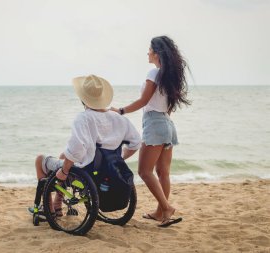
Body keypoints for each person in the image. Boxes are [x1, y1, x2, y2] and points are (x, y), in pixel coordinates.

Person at [30, 74, 141, 216]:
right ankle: (58, 202)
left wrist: (64, 171)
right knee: (64, 155)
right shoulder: (118, 118)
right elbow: (136, 142)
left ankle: (49, 208)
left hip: (85, 171)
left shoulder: (83, 118)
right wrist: (117, 159)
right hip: (105, 170)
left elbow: (77, 149)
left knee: (40, 159)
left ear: (83, 99)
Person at [111, 36, 191, 227]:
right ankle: (159, 212)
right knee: (163, 172)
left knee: (144, 171)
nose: (147, 53)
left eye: (149, 49)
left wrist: (120, 111)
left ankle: (166, 207)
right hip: (167, 123)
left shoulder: (154, 73)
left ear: (156, 53)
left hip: (155, 123)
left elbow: (143, 101)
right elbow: (168, 105)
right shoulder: (169, 75)